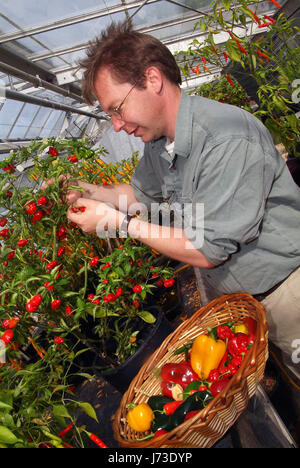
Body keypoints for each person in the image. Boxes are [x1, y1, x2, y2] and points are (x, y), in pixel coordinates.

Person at [58, 21, 300, 374]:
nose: (116, 125)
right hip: (246, 302)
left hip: (287, 297)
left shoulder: (224, 139)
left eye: (117, 108)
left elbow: (206, 250)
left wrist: (117, 223)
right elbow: (140, 194)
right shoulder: (160, 143)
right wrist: (90, 191)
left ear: (152, 80)